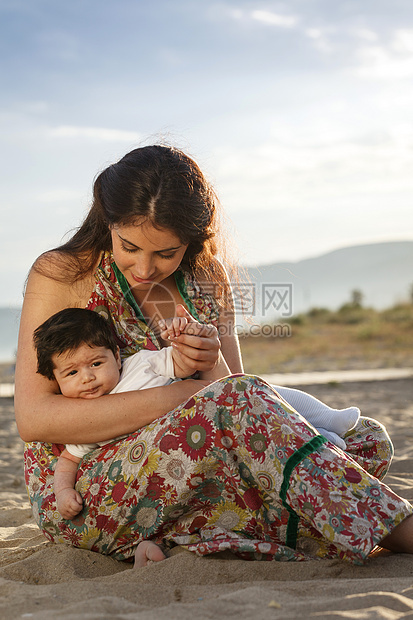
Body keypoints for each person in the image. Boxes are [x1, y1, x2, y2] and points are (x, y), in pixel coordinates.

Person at [15, 144, 413, 569]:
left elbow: (244, 410)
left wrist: (208, 363)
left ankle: (193, 538)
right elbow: (34, 418)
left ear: (192, 238)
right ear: (108, 220)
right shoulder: (64, 274)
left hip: (193, 470)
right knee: (276, 429)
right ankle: (397, 529)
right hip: (83, 485)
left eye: (165, 253)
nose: (145, 268)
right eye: (129, 246)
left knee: (366, 439)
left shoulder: (207, 278)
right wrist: (186, 394)